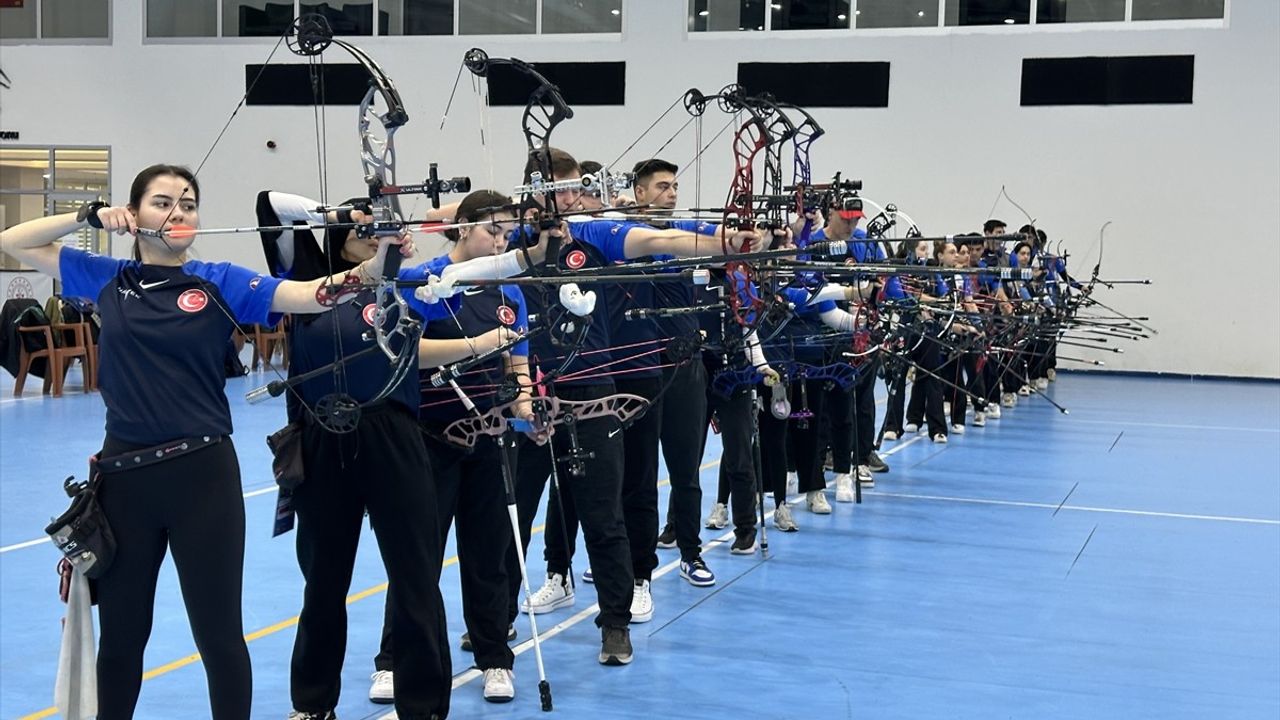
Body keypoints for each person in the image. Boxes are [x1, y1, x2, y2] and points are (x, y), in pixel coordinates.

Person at [0, 164, 410, 720]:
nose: (178, 213)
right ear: (134, 213)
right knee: (123, 640)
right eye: (162, 202)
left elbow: (315, 295)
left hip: (203, 477)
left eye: (188, 204)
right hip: (125, 480)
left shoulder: (220, 280)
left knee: (219, 639)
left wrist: (379, 259)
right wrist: (88, 215)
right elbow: (11, 241)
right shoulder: (105, 275)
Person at [257, 188, 540, 720]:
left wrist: (520, 250)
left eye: (383, 233)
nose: (376, 240)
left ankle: (424, 707)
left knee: (415, 577)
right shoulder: (307, 284)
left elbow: (475, 268)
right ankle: (313, 705)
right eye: (365, 233)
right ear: (340, 239)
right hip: (323, 436)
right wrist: (344, 213)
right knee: (323, 583)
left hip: (394, 435)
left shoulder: (406, 283)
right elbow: (269, 207)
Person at [368, 190, 536, 706]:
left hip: (488, 438)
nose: (500, 241)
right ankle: (394, 660)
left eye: (507, 234)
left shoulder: (509, 293)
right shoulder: (424, 281)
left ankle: (493, 657)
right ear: (462, 228)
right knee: (417, 556)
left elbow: (519, 364)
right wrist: (478, 345)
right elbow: (405, 353)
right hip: (428, 440)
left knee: (489, 555)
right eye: (492, 231)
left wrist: (529, 411)